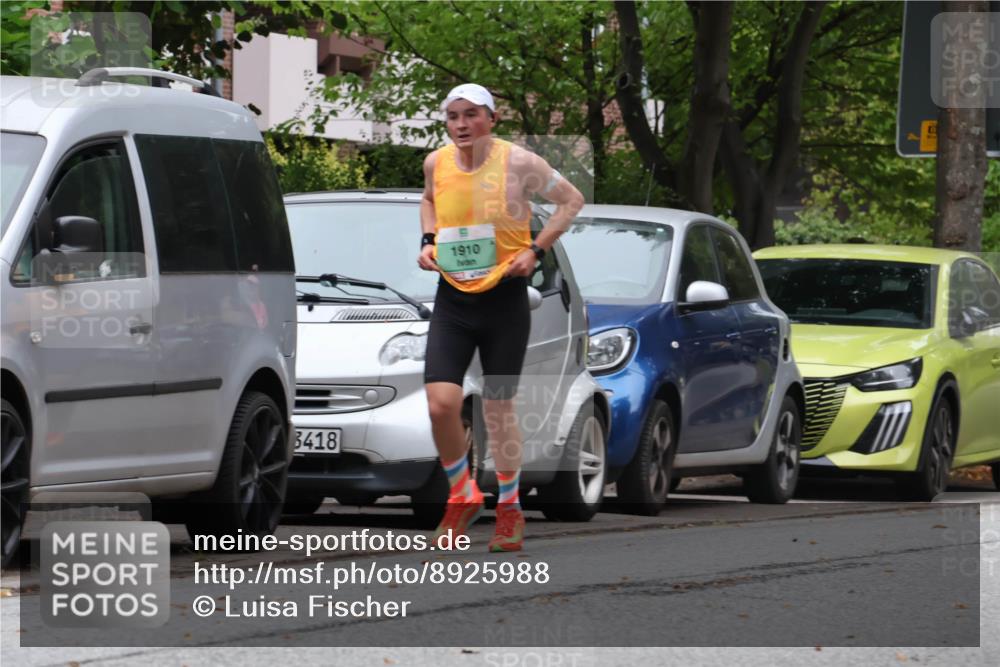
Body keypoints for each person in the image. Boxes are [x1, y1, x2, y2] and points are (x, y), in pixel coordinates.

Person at [417, 83, 585, 552]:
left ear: (492, 118)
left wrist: (535, 250)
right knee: (441, 404)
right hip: (452, 296)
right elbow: (429, 199)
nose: (461, 125)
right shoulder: (437, 162)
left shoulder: (520, 163)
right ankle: (463, 492)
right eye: (453, 116)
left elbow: (571, 201)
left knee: (498, 406)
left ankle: (509, 508)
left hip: (506, 298)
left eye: (471, 115)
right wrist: (427, 241)